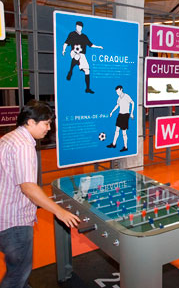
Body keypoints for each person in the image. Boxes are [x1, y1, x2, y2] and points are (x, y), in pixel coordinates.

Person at [0, 100, 80, 288]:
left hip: (4, 215)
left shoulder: (8, 138)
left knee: (18, 272)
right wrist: (59, 211)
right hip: (14, 221)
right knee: (17, 275)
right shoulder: (23, 146)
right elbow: (28, 187)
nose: (49, 128)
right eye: (46, 123)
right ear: (30, 122)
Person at [62, 21, 103, 94]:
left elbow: (90, 44)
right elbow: (66, 43)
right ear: (76, 26)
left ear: (82, 27)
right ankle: (70, 71)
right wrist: (64, 50)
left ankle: (87, 88)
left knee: (87, 70)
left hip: (82, 54)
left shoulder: (84, 36)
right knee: (77, 56)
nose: (79, 28)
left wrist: (98, 47)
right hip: (74, 52)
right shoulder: (72, 34)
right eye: (78, 26)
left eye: (80, 27)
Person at [106, 85, 134, 152]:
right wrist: (112, 112)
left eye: (118, 91)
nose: (117, 93)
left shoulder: (127, 96)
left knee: (124, 132)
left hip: (125, 115)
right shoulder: (119, 98)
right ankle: (114, 144)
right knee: (117, 130)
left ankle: (125, 147)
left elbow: (133, 103)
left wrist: (132, 113)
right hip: (120, 115)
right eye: (116, 92)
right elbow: (117, 105)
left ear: (121, 90)